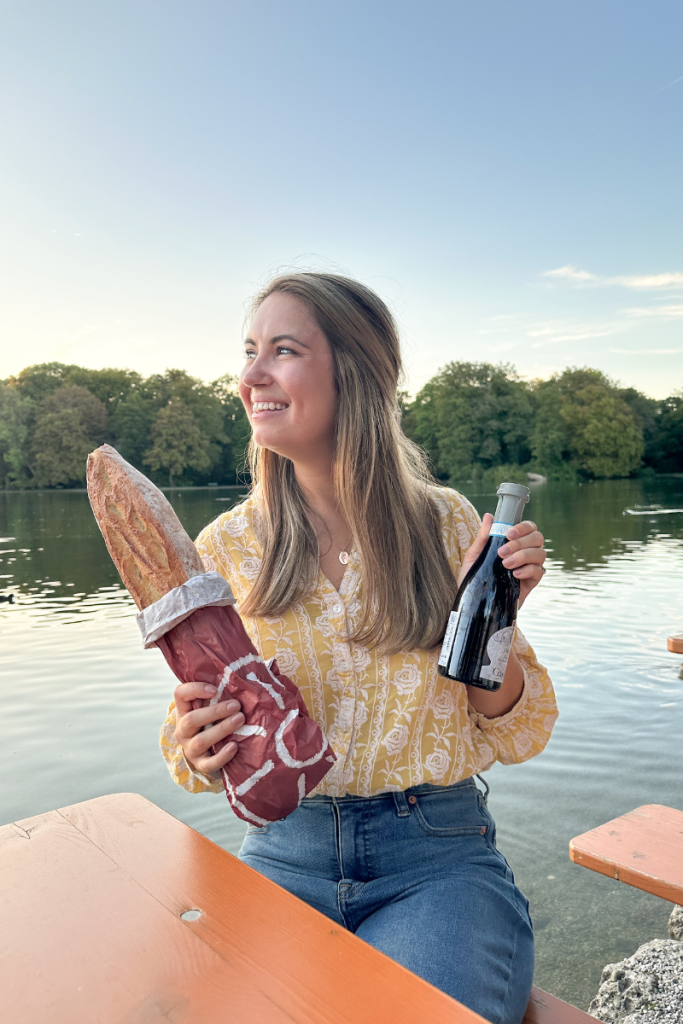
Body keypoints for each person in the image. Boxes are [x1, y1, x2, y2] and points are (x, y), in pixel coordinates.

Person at [159, 273, 557, 1024]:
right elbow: (191, 748)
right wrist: (197, 739)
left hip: (435, 858)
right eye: (248, 353)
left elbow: (514, 729)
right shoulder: (226, 548)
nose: (250, 377)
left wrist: (495, 622)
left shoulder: (443, 524)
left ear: (357, 372)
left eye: (282, 350)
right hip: (283, 850)